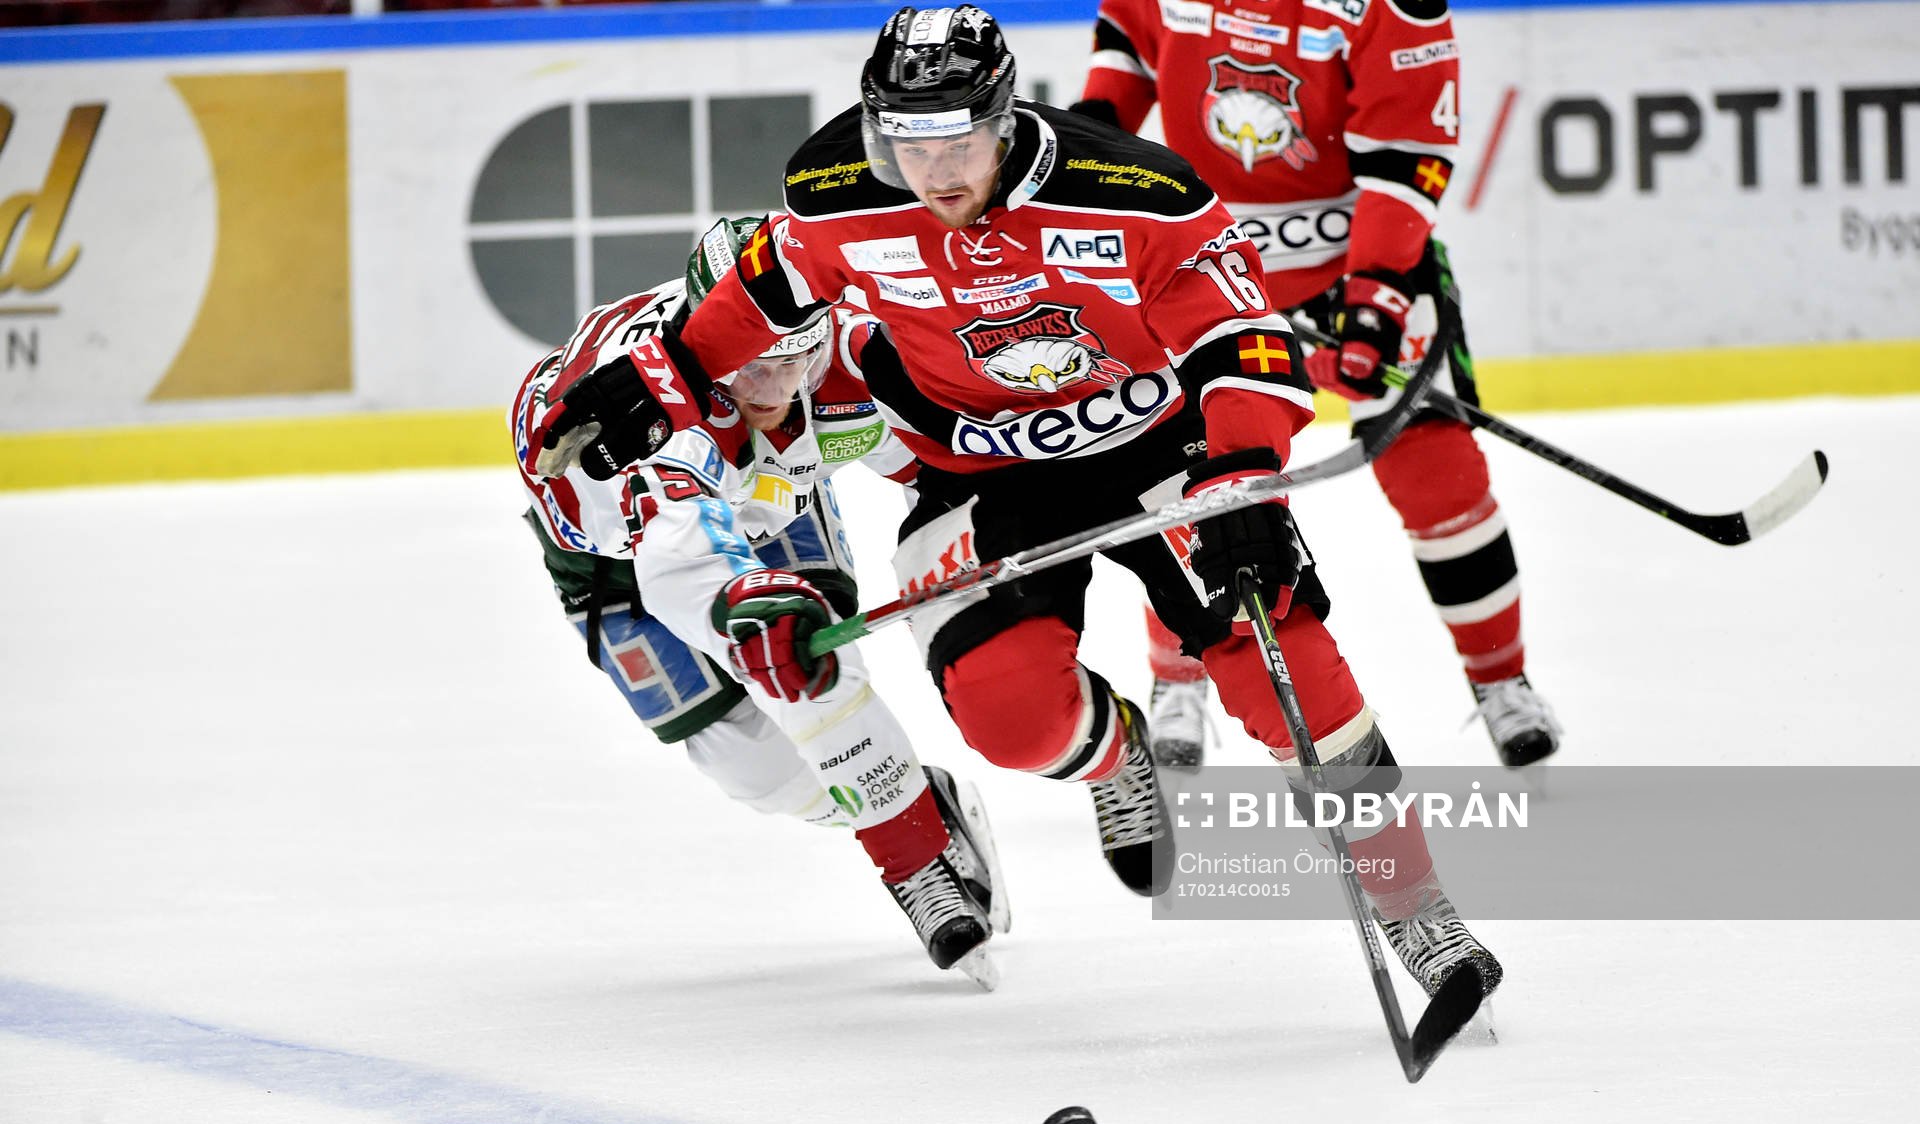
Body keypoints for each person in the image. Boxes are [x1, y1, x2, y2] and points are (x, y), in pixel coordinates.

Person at [525, 6, 1501, 1001]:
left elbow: (1244, 340)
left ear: (1004, 117)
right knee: (1008, 716)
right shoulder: (836, 197)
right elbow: (762, 294)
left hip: (1157, 440)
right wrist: (672, 370)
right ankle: (1120, 757)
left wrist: (1243, 473)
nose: (935, 169)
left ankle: (1417, 906)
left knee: (1276, 653)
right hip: (981, 471)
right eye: (907, 140)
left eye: (958, 138)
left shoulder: (1135, 191)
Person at [513, 216, 1006, 989]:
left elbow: (937, 456)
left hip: (767, 506)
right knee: (753, 769)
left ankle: (914, 860)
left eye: (796, 358)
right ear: (708, 337)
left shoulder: (838, 349)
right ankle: (911, 795)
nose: (776, 390)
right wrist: (753, 607)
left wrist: (986, 509)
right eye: (750, 367)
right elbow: (683, 567)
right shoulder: (648, 421)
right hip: (614, 556)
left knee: (813, 678)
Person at [1074, 0, 1561, 770]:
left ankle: (1502, 680)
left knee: (1440, 478)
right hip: (1201, 269)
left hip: (1354, 264)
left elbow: (1407, 158)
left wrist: (1372, 301)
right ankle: (1178, 679)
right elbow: (1129, 43)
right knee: (1190, 479)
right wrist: (1096, 129)